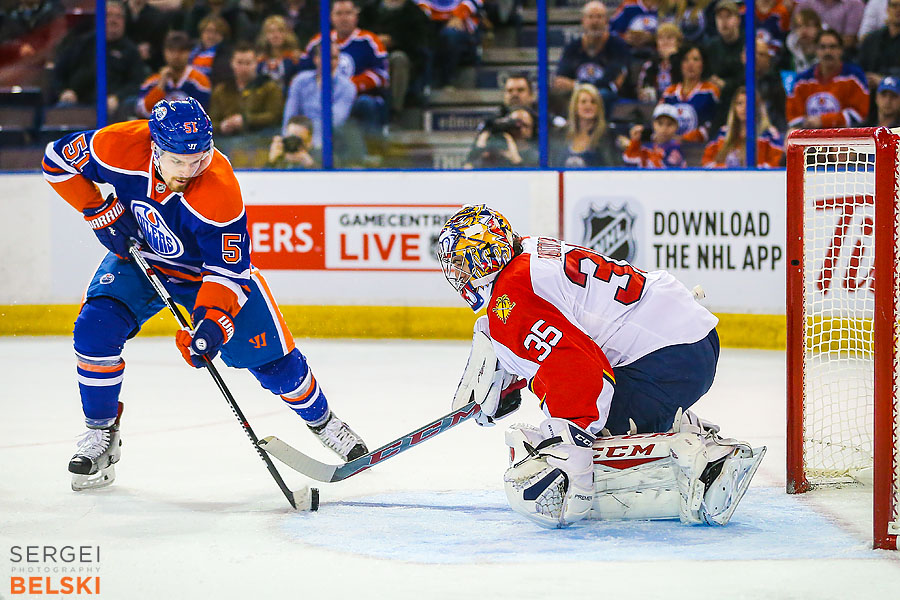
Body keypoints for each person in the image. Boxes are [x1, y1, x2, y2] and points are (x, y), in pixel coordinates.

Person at [41, 97, 368, 491]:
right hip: (141, 257)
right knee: (94, 331)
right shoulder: (119, 145)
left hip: (204, 277)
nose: (190, 170)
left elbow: (228, 271)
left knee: (276, 368)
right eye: (178, 161)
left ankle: (324, 421)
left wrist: (212, 325)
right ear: (155, 148)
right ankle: (101, 437)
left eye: (199, 158)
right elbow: (55, 160)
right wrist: (96, 209)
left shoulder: (219, 189)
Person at [435, 204, 764, 528]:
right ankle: (673, 425)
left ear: (484, 258)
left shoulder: (513, 296)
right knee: (512, 343)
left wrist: (569, 444)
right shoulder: (529, 252)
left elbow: (581, 373)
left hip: (669, 358)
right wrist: (512, 366)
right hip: (684, 338)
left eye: (460, 265)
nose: (458, 276)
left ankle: (700, 456)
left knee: (593, 438)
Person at [299, 0, 390, 137]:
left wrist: (348, 86)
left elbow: (382, 75)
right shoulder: (318, 41)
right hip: (321, 96)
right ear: (330, 17)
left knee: (366, 103)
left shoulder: (369, 40)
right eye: (339, 13)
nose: (343, 18)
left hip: (358, 98)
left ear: (356, 16)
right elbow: (303, 72)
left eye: (348, 13)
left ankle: (373, 145)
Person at [53, 0, 147, 119]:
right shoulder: (81, 44)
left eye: (118, 16)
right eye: (108, 15)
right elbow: (58, 73)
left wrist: (118, 97)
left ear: (124, 21)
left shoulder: (130, 51)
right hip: (79, 103)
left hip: (114, 107)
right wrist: (64, 91)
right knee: (61, 110)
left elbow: (137, 82)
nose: (113, 20)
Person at [551, 1, 631, 116]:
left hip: (607, 98)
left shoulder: (618, 46)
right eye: (590, 17)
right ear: (583, 21)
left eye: (599, 17)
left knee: (602, 94)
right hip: (578, 96)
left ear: (606, 21)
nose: (595, 21)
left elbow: (611, 82)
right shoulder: (573, 47)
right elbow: (561, 80)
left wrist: (575, 85)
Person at [786, 29, 870, 130]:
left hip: (844, 139)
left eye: (832, 47)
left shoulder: (854, 76)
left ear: (841, 50)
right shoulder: (802, 81)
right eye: (822, 47)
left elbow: (859, 115)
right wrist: (808, 124)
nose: (827, 51)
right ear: (816, 50)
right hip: (810, 139)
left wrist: (823, 121)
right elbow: (793, 117)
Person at [359, 0, 432, 113]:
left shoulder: (414, 12)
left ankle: (394, 111)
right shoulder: (369, 10)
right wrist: (376, 40)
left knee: (399, 59)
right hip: (370, 56)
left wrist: (394, 40)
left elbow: (420, 42)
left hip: (402, 55)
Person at [209, 41, 284, 136]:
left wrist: (246, 120)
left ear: (256, 63)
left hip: (261, 138)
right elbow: (210, 121)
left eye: (248, 63)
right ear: (232, 63)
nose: (244, 68)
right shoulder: (221, 90)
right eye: (239, 63)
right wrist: (221, 126)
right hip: (227, 139)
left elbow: (275, 116)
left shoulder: (270, 87)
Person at [702, 86, 784, 168]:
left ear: (757, 107)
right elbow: (706, 161)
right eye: (739, 103)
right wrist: (724, 170)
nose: (744, 108)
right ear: (734, 107)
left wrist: (752, 173)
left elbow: (775, 164)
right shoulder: (723, 133)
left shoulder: (769, 134)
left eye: (749, 103)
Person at [136, 30, 212, 117]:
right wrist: (160, 86)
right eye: (172, 50)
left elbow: (201, 115)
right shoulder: (152, 82)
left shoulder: (200, 81)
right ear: (164, 52)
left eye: (181, 51)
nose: (176, 56)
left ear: (189, 52)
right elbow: (144, 112)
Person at [660, 43, 720, 143]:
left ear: (703, 64)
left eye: (696, 59)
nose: (690, 64)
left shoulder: (711, 91)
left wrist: (686, 138)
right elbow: (658, 120)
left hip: (699, 149)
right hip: (670, 149)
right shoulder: (669, 92)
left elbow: (715, 122)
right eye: (685, 60)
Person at [416, 0, 483, 88]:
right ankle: (422, 87)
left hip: (461, 21)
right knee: (421, 35)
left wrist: (459, 14)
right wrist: (424, 14)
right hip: (429, 21)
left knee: (450, 35)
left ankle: (447, 81)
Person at [552, 83, 619, 167]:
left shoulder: (607, 135)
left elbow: (612, 166)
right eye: (583, 102)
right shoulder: (561, 133)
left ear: (599, 107)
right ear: (575, 107)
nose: (588, 105)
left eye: (593, 102)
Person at [464, 107, 538, 168]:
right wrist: (480, 146)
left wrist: (515, 159)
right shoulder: (494, 147)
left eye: (525, 125)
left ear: (532, 129)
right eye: (514, 125)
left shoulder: (535, 155)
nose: (519, 129)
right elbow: (468, 168)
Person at [621, 103, 686, 168]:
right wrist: (634, 142)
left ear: (677, 127)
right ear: (653, 124)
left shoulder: (676, 149)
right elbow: (629, 163)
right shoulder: (645, 146)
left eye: (669, 124)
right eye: (660, 123)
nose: (664, 128)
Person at [857, 0, 900, 91]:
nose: (898, 10)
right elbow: (860, 67)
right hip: (870, 91)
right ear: (887, 9)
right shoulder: (871, 39)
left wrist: (884, 80)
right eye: (894, 6)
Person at [635, 22, 682, 104]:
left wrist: (673, 59)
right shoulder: (650, 64)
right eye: (661, 38)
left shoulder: (683, 63)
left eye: (669, 38)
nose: (665, 42)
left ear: (678, 42)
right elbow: (642, 89)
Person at [189, 15, 233, 86]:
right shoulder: (192, 51)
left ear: (223, 36)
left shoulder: (227, 55)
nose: (211, 36)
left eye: (216, 32)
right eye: (208, 31)